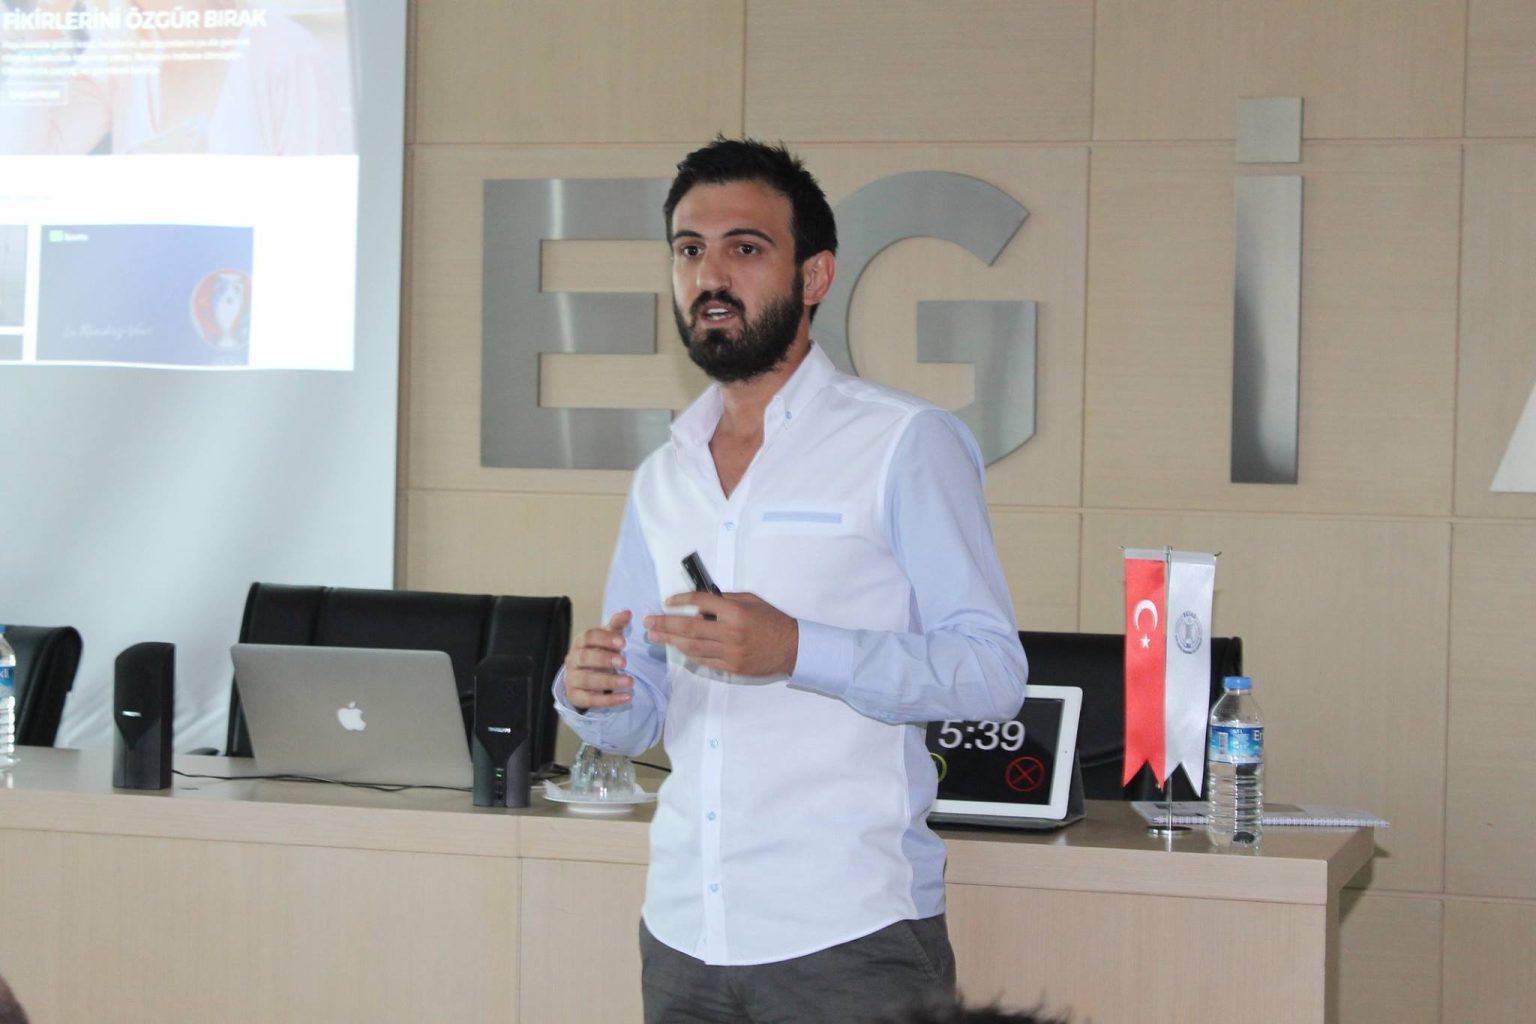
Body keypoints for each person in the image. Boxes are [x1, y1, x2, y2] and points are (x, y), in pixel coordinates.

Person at [555, 137, 1028, 1024]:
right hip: (684, 934)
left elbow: (991, 671)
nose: (710, 276)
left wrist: (797, 649)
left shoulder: (902, 443)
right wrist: (593, 694)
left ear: (815, 276)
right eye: (689, 249)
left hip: (850, 936)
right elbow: (640, 706)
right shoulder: (663, 475)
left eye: (745, 247)